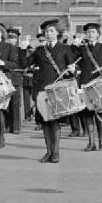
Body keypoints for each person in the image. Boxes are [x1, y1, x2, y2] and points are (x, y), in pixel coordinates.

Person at [18, 19, 76, 163]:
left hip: (57, 91)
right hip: (42, 91)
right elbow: (24, 64)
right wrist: (22, 49)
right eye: (46, 31)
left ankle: (56, 152)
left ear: (57, 33)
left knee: (55, 122)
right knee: (45, 121)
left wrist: (73, 70)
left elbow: (73, 68)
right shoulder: (39, 51)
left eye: (51, 31)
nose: (48, 34)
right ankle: (48, 152)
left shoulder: (65, 49)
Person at [76, 23, 102, 151]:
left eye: (93, 32)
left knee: (99, 113)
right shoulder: (82, 48)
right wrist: (74, 44)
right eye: (88, 32)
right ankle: (91, 142)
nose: (90, 34)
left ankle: (101, 140)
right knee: (87, 113)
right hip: (85, 84)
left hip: (99, 84)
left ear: (98, 34)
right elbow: (73, 60)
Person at [4, 27, 24, 134]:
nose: (11, 40)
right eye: (9, 37)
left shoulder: (20, 50)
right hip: (6, 78)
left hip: (16, 78)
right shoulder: (5, 49)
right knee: (6, 103)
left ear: (17, 39)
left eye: (13, 38)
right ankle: (8, 125)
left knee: (15, 104)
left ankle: (16, 126)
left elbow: (23, 64)